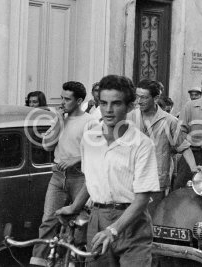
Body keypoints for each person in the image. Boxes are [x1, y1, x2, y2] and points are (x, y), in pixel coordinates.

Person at [56, 75, 160, 266]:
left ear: (130, 106)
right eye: (103, 103)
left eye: (116, 103)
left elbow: (142, 199)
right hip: (97, 220)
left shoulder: (143, 144)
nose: (108, 110)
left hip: (132, 223)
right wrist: (74, 207)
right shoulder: (89, 138)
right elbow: (91, 180)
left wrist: (113, 230)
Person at [30, 82, 93, 266]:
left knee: (79, 224)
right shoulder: (60, 118)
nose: (63, 102)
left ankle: (75, 262)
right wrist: (58, 120)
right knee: (48, 221)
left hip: (79, 177)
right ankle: (38, 263)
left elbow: (97, 153)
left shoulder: (90, 122)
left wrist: (77, 158)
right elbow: (47, 145)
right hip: (58, 177)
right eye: (62, 98)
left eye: (67, 99)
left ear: (79, 101)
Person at [127, 79, 182, 213]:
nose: (139, 101)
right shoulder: (128, 118)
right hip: (129, 180)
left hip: (156, 182)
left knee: (151, 221)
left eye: (144, 97)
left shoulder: (170, 121)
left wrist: (193, 167)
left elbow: (182, 147)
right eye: (137, 97)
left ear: (156, 98)